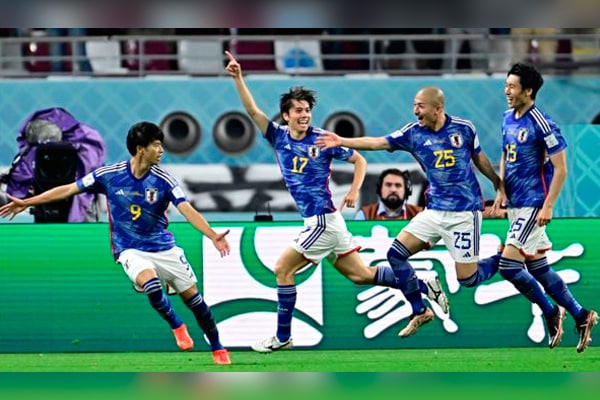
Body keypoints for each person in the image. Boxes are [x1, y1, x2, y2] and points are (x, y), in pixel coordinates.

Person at [224, 50, 449, 352]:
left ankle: (282, 337)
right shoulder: (278, 136)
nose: (305, 115)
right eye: (298, 110)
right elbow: (253, 111)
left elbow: (359, 160)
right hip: (328, 221)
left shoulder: (322, 139)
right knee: (361, 275)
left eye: (307, 110)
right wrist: (238, 78)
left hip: (322, 221)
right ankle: (423, 284)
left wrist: (354, 190)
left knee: (282, 269)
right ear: (286, 115)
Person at [0, 121, 233, 365]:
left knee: (195, 302)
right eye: (156, 145)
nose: (161, 150)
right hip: (129, 249)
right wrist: (27, 202)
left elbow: (186, 209)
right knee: (151, 284)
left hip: (163, 247)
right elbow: (69, 189)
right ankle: (176, 325)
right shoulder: (109, 175)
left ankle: (217, 347)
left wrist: (211, 234)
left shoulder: (164, 180)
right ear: (140, 149)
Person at [316, 86, 504, 338]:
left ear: (437, 108)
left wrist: (497, 182)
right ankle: (420, 310)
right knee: (395, 254)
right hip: (434, 210)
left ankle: (504, 258)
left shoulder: (464, 128)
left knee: (468, 279)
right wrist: (342, 141)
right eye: (414, 105)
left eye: (420, 106)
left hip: (464, 214)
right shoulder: (413, 133)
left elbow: (478, 157)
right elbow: (378, 142)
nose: (415, 110)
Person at [488, 62, 597, 352]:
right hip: (516, 204)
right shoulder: (507, 118)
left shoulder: (542, 123)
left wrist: (548, 206)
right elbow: (506, 153)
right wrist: (501, 189)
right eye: (506, 85)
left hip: (534, 205)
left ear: (528, 91)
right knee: (539, 269)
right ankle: (582, 315)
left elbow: (561, 168)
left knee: (508, 266)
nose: (507, 91)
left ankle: (551, 312)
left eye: (512, 86)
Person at [355, 168, 422, 220]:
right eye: (388, 185)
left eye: (398, 185)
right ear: (380, 189)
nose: (393, 190)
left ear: (406, 190)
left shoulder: (420, 214)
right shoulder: (364, 214)